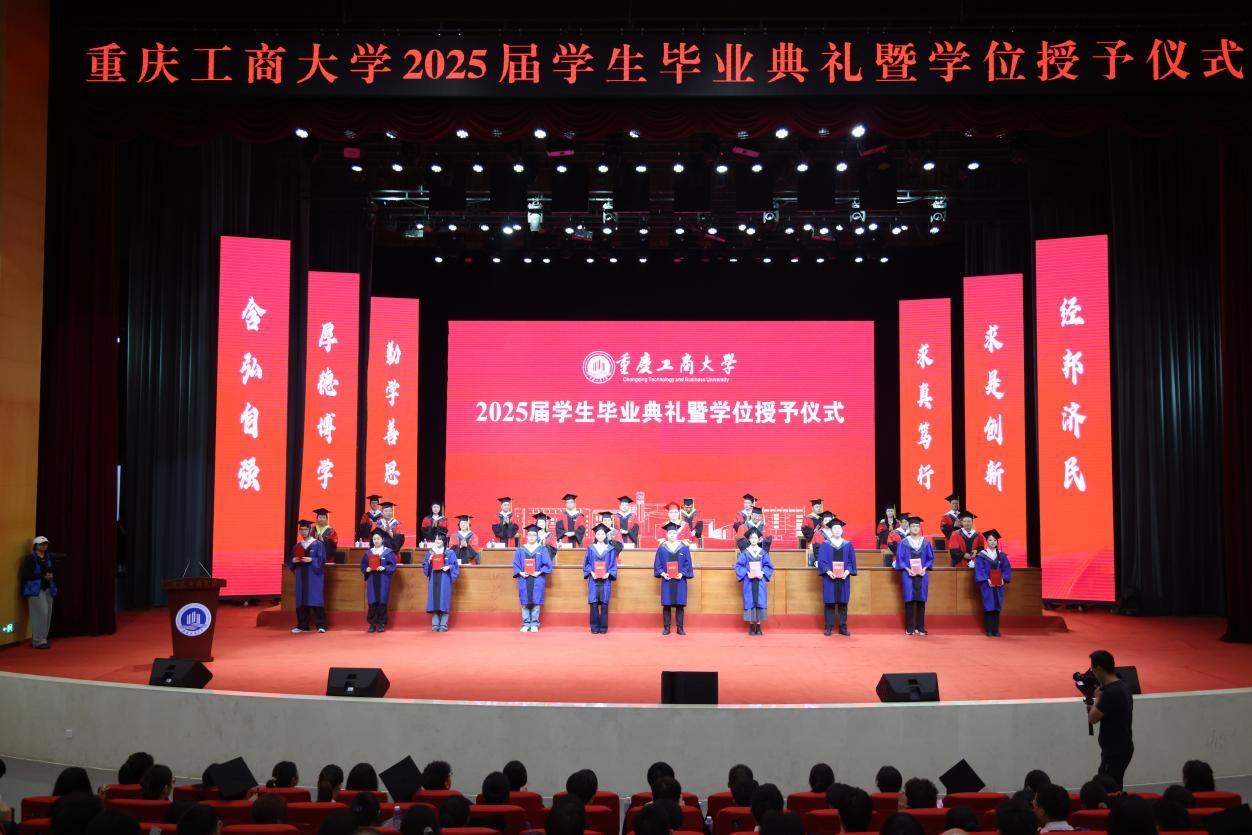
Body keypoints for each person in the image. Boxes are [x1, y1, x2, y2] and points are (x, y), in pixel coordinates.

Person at [1086, 649, 1135, 789]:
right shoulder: (1122, 685)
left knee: (1106, 785)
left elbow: (1093, 718)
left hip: (1114, 750)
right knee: (1115, 783)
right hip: (1123, 745)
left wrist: (1097, 698)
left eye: (1092, 669)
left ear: (1099, 669)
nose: (1092, 673)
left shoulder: (1109, 693)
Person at [894, 516, 935, 636]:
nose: (915, 528)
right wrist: (907, 569)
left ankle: (920, 627)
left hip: (922, 574)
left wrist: (924, 568)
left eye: (917, 526)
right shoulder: (904, 543)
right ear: (909, 527)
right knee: (909, 600)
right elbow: (900, 559)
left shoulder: (925, 542)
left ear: (920, 528)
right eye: (913, 526)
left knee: (921, 600)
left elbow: (930, 558)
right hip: (908, 575)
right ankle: (910, 627)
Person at [817, 515, 856, 636]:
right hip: (830, 578)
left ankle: (843, 627)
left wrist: (847, 571)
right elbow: (822, 561)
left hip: (844, 577)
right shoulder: (825, 544)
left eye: (839, 528)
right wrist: (829, 572)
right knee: (829, 602)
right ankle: (828, 627)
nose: (837, 530)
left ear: (842, 530)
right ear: (831, 530)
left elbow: (851, 561)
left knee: (843, 602)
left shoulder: (848, 544)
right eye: (835, 528)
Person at [288, 519, 327, 633]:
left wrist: (311, 559)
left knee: (316, 598)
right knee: (301, 599)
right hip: (301, 576)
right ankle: (302, 625)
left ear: (310, 530)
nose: (303, 532)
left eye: (305, 529)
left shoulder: (318, 544)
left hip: (314, 576)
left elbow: (322, 560)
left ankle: (321, 625)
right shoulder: (297, 546)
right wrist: (293, 561)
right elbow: (291, 562)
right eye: (301, 529)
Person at [655, 521, 694, 635]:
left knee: (680, 604)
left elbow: (688, 563)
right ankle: (666, 628)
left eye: (674, 533)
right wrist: (662, 573)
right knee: (666, 604)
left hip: (679, 580)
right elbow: (658, 563)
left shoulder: (684, 547)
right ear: (667, 535)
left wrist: (682, 573)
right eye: (670, 533)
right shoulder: (662, 548)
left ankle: (680, 628)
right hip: (667, 580)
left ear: (677, 534)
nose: (672, 535)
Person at [513, 523, 554, 632]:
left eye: (534, 535)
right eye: (529, 535)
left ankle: (534, 623)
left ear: (537, 536)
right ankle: (526, 623)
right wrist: (520, 573)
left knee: (536, 601)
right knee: (525, 602)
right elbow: (516, 564)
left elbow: (547, 564)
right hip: (524, 578)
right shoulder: (520, 550)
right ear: (527, 536)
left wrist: (539, 572)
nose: (531, 537)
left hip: (537, 579)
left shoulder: (542, 549)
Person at [973, 529, 1012, 637]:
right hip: (987, 585)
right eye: (990, 540)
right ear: (986, 542)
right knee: (988, 606)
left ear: (997, 542)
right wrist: (987, 579)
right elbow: (979, 569)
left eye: (994, 540)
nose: (992, 542)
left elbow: (1006, 569)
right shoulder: (981, 555)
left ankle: (996, 630)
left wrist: (1003, 579)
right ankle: (989, 630)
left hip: (999, 585)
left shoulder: (1002, 556)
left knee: (997, 606)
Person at [736, 528, 774, 635]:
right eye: (752, 538)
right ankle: (752, 626)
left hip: (760, 581)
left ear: (759, 539)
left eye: (755, 538)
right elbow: (739, 566)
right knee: (750, 602)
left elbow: (768, 566)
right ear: (749, 539)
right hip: (749, 581)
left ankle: (759, 626)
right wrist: (746, 573)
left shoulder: (763, 553)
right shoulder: (745, 553)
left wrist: (763, 572)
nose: (753, 540)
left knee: (760, 601)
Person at [583, 523, 620, 634]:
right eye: (598, 534)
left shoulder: (610, 549)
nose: (600, 536)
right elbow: (586, 564)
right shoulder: (590, 548)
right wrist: (591, 572)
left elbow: (613, 564)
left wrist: (608, 574)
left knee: (604, 604)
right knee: (593, 604)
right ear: (595, 535)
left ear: (605, 535)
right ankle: (594, 627)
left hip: (605, 580)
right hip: (593, 580)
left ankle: (603, 627)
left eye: (602, 534)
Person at [22, 535, 57, 649]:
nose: (44, 546)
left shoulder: (48, 557)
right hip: (36, 590)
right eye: (42, 544)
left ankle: (43, 638)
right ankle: (38, 640)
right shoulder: (30, 558)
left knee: (47, 614)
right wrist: (42, 576)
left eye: (46, 544)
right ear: (36, 545)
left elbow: (52, 571)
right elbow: (26, 574)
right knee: (40, 614)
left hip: (48, 588)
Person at [423, 531, 460, 632]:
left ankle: (443, 625)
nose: (437, 541)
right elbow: (425, 566)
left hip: (445, 579)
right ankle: (435, 625)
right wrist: (429, 560)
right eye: (436, 539)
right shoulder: (430, 552)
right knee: (434, 601)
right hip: (434, 578)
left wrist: (449, 567)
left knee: (444, 601)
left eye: (439, 539)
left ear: (443, 540)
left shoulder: (449, 552)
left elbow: (455, 565)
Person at [362, 531, 398, 633]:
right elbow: (363, 565)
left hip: (383, 579)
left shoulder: (388, 552)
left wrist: (384, 567)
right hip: (372, 579)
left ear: (382, 540)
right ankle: (372, 624)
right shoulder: (369, 553)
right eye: (374, 539)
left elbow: (393, 565)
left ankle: (381, 624)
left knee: (382, 600)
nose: (376, 541)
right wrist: (366, 569)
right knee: (372, 601)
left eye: (378, 539)